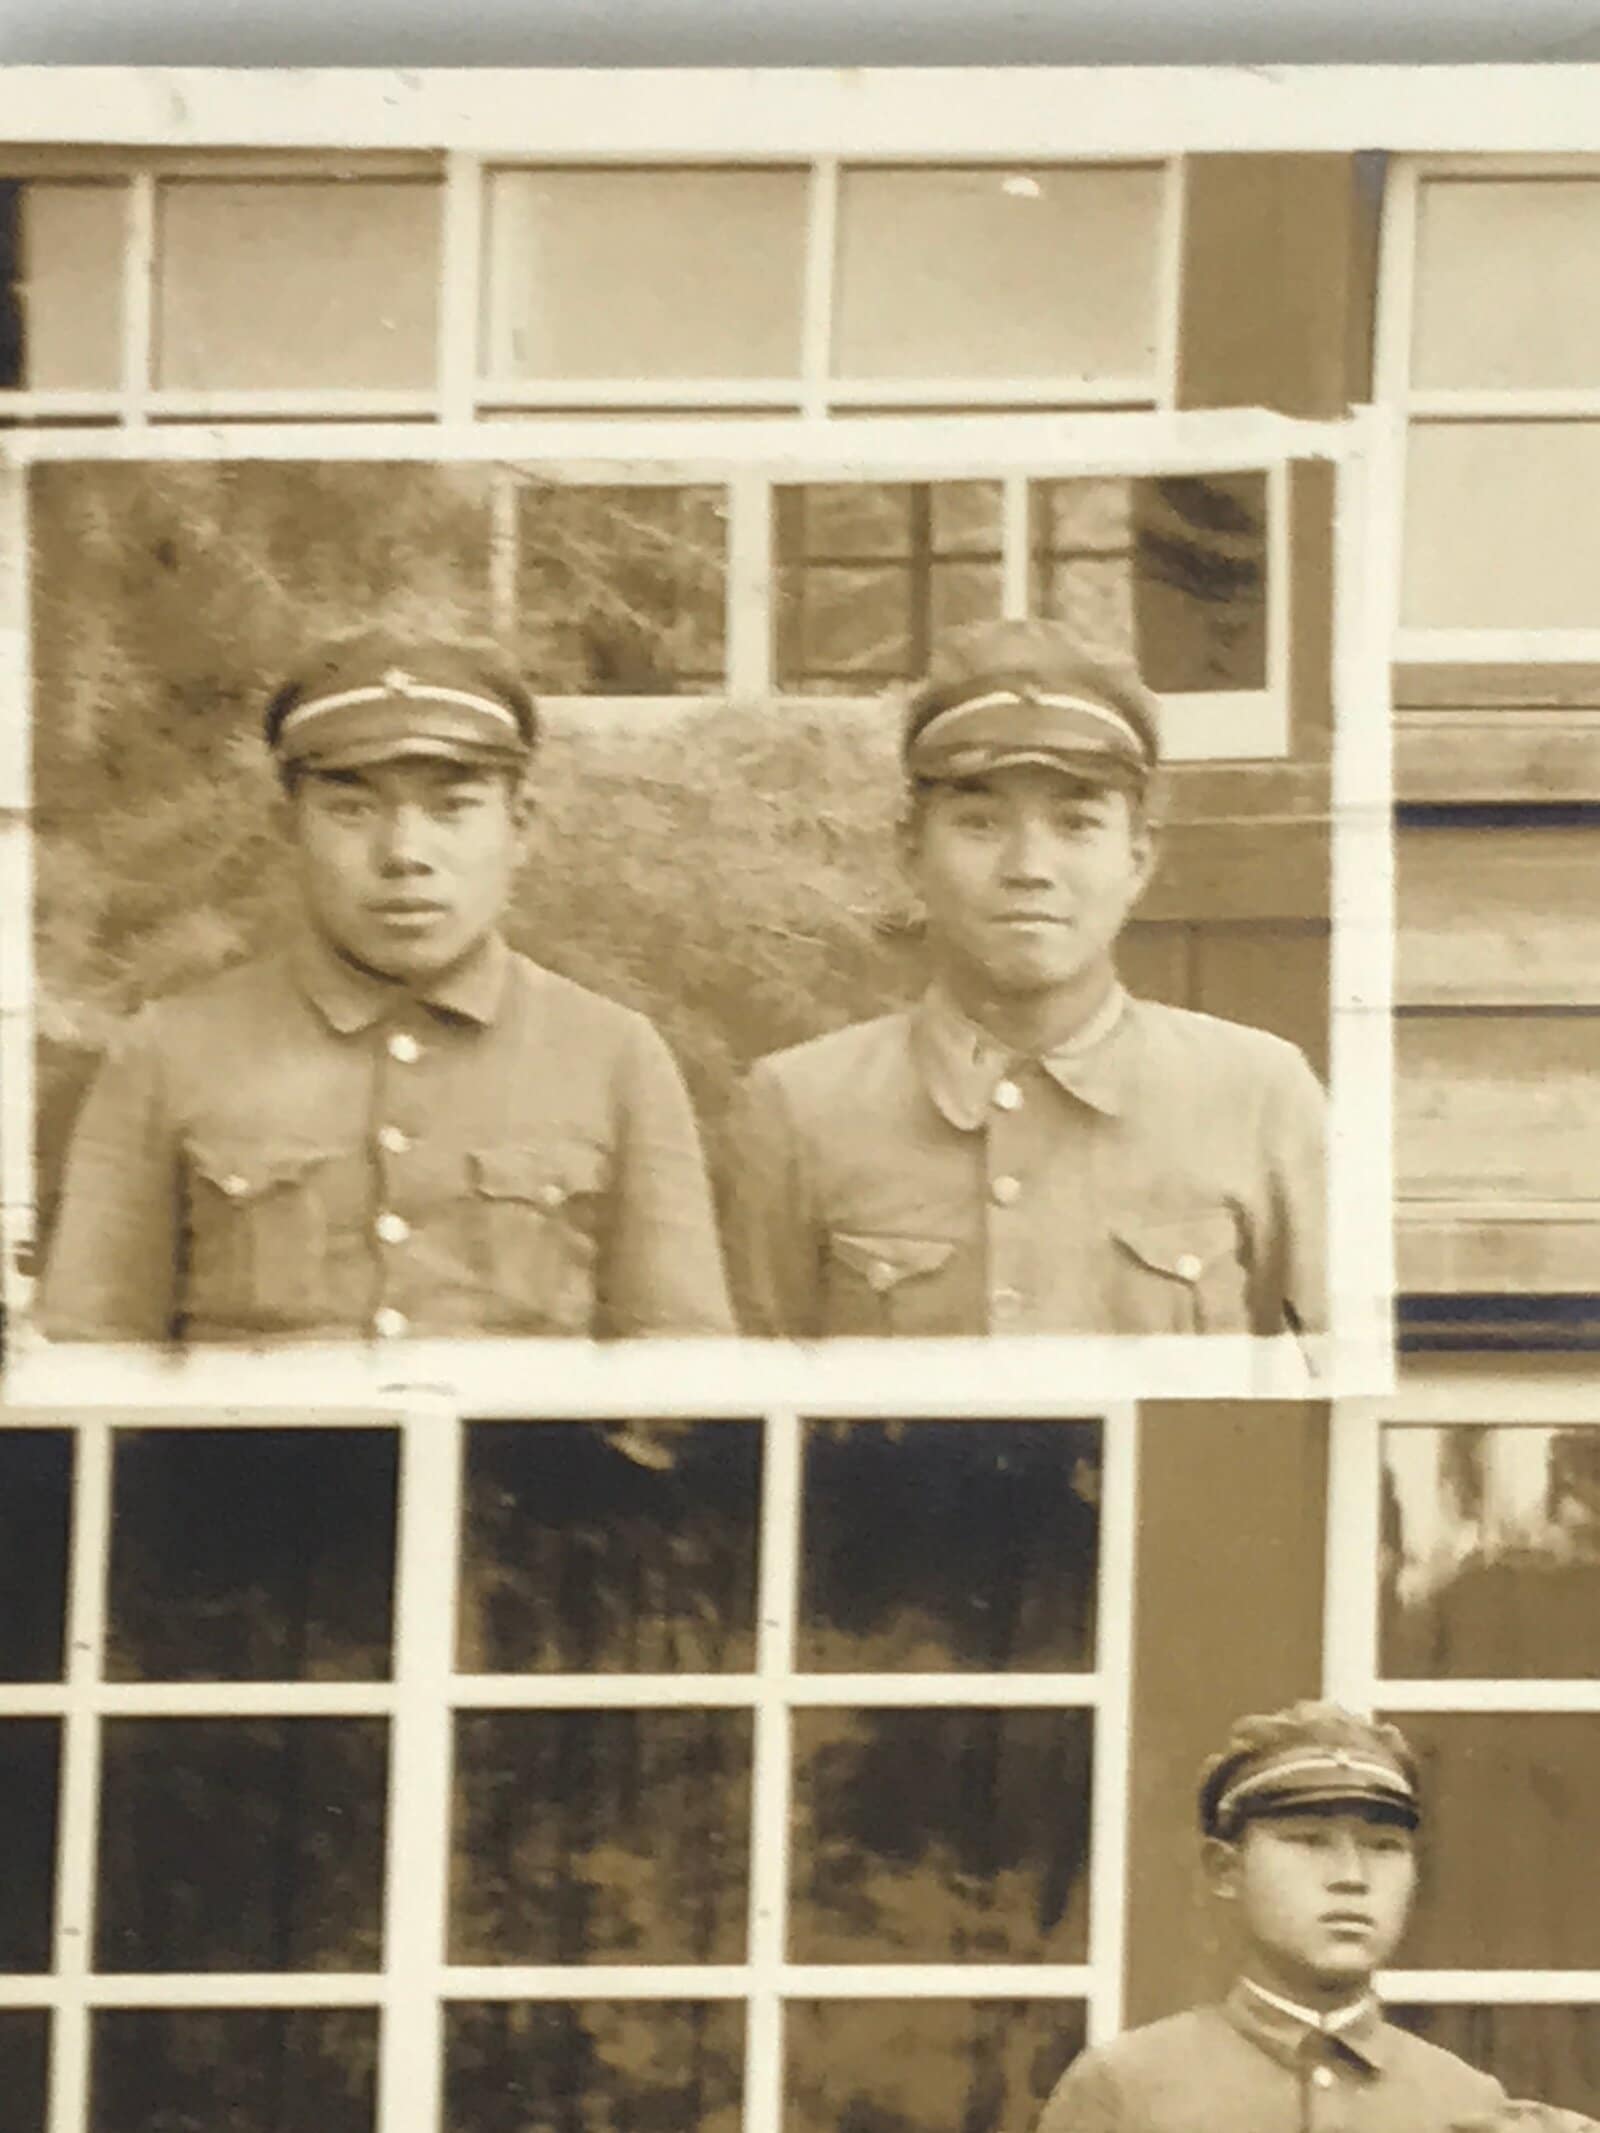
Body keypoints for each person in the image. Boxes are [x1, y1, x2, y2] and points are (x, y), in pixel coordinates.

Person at [37, 631, 733, 1344]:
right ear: (288, 829)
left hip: (526, 1460)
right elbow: (91, 1364)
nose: (404, 855)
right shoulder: (169, 1052)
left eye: (452, 808)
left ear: (521, 829)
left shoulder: (612, 1055)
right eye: (352, 810)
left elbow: (680, 1377)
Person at [723, 617, 1326, 1339]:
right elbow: (748, 1427)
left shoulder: (1259, 1093)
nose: (1029, 867)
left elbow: (1332, 1408)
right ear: (911, 853)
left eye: (1075, 825)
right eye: (979, 824)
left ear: (1138, 859)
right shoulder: (800, 1109)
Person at [1036, 1702, 1508, 2133]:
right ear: (1225, 1869)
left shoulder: (1465, 2101)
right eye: (1309, 1841)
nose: (1352, 1877)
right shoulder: (1126, 2089)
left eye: (1384, 1847)